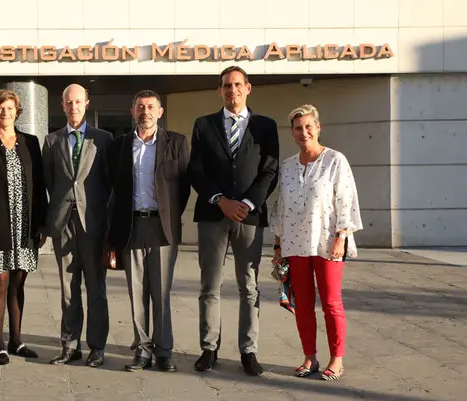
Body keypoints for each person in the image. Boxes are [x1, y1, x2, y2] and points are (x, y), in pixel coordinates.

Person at [189, 66, 279, 376]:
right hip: (213, 214)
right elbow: (196, 170)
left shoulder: (265, 126)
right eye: (227, 85)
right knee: (209, 286)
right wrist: (220, 200)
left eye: (238, 84)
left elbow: (270, 170)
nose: (233, 90)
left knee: (249, 286)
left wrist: (247, 203)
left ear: (248, 88)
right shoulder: (203, 124)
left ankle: (248, 351)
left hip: (249, 216)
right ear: (220, 90)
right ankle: (209, 348)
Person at [271, 104, 362, 381]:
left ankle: (337, 359)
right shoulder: (287, 166)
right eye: (298, 128)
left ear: (318, 128)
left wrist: (341, 236)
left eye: (308, 126)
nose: (304, 132)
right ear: (292, 132)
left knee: (331, 302)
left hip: (327, 242)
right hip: (295, 244)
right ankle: (309, 357)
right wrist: (277, 245)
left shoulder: (335, 160)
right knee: (303, 304)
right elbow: (281, 206)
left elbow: (345, 200)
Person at [106, 90, 190, 372]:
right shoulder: (119, 146)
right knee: (137, 291)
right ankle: (142, 350)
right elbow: (113, 189)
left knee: (161, 292)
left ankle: (164, 351)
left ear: (160, 112)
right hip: (132, 225)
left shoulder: (176, 142)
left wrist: (168, 216)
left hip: (162, 227)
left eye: (151, 107)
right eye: (140, 107)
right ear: (133, 112)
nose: (145, 112)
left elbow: (184, 186)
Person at [0, 89, 48, 365]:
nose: (5, 112)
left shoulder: (30, 142)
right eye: (0, 108)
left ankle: (17, 340)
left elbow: (39, 185)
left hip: (25, 226)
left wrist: (42, 223)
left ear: (17, 112)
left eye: (10, 108)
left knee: (18, 283)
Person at [43, 84, 113, 367]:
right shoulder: (52, 141)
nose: (73, 107)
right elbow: (50, 181)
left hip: (93, 223)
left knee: (96, 288)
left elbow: (109, 183)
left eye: (78, 102)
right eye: (68, 102)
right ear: (62, 106)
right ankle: (70, 345)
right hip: (64, 223)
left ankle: (97, 347)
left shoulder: (103, 139)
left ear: (87, 103)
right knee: (68, 290)